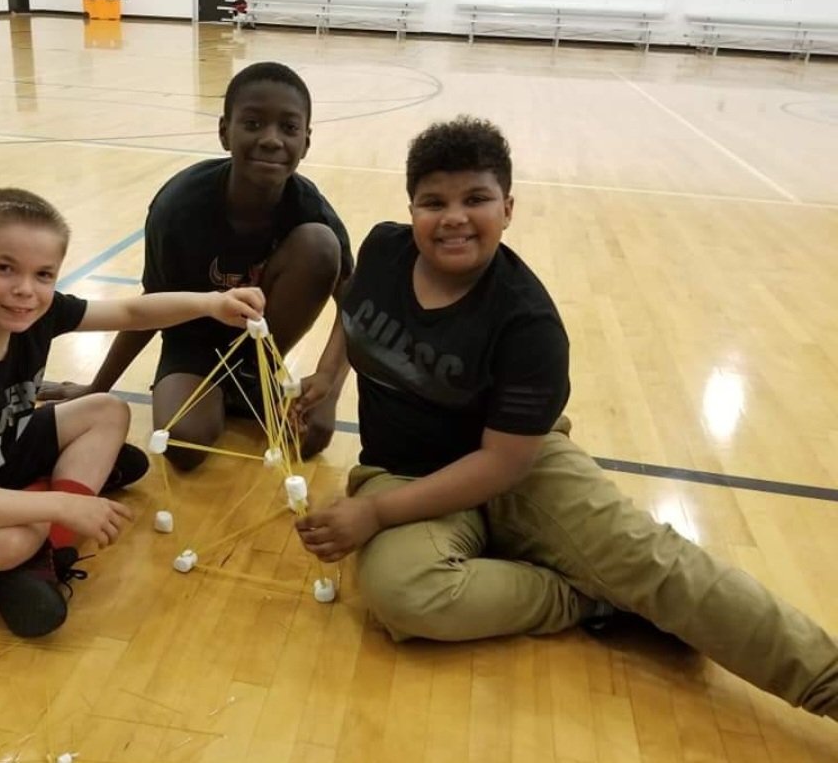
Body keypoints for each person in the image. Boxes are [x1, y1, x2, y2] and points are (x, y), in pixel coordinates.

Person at [293, 116, 838, 720]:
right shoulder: (383, 249)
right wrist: (329, 379)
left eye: (476, 199)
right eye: (434, 202)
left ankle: (827, 682)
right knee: (403, 594)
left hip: (521, 470)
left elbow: (504, 463)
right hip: (404, 474)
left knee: (657, 566)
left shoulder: (529, 323)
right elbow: (355, 310)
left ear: (508, 208)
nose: (453, 217)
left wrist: (373, 514)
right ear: (411, 209)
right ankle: (593, 600)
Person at [0, 188, 264, 638]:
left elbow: (131, 310)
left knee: (108, 411)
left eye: (43, 274)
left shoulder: (35, 311)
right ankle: (29, 557)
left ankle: (42, 550)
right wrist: (62, 503)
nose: (24, 290)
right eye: (4, 268)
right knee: (14, 537)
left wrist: (210, 304)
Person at [39, 61, 353, 470]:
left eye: (289, 128)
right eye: (253, 124)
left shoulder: (310, 207)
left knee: (320, 246)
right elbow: (148, 306)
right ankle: (225, 389)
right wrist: (97, 387)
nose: (271, 140)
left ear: (306, 142)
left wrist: (329, 383)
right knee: (183, 443)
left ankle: (254, 377)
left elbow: (354, 303)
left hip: (257, 343)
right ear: (224, 131)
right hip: (192, 340)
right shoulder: (179, 207)